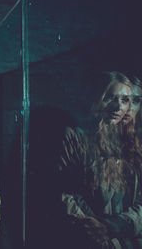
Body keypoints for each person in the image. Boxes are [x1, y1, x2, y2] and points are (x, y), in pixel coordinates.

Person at [59, 71, 142, 248]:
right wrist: (93, 229)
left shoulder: (132, 143)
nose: (118, 106)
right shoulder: (77, 137)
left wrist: (113, 227)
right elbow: (66, 191)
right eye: (110, 97)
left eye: (126, 100)